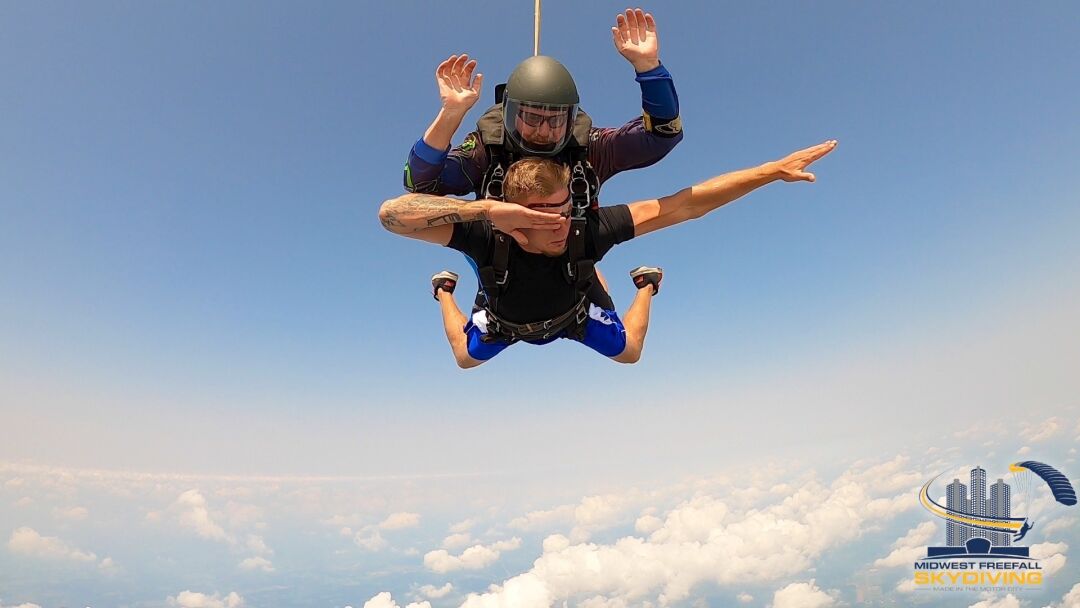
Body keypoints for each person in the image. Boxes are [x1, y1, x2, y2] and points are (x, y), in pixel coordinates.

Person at [379, 140, 838, 367]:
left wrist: (768, 171)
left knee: (631, 352)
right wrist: (481, 210)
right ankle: (444, 290)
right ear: (514, 216)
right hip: (505, 320)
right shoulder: (486, 233)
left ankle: (646, 284)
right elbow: (392, 215)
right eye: (545, 218)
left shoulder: (587, 228)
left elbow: (684, 205)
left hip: (573, 313)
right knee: (463, 357)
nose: (562, 224)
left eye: (565, 210)